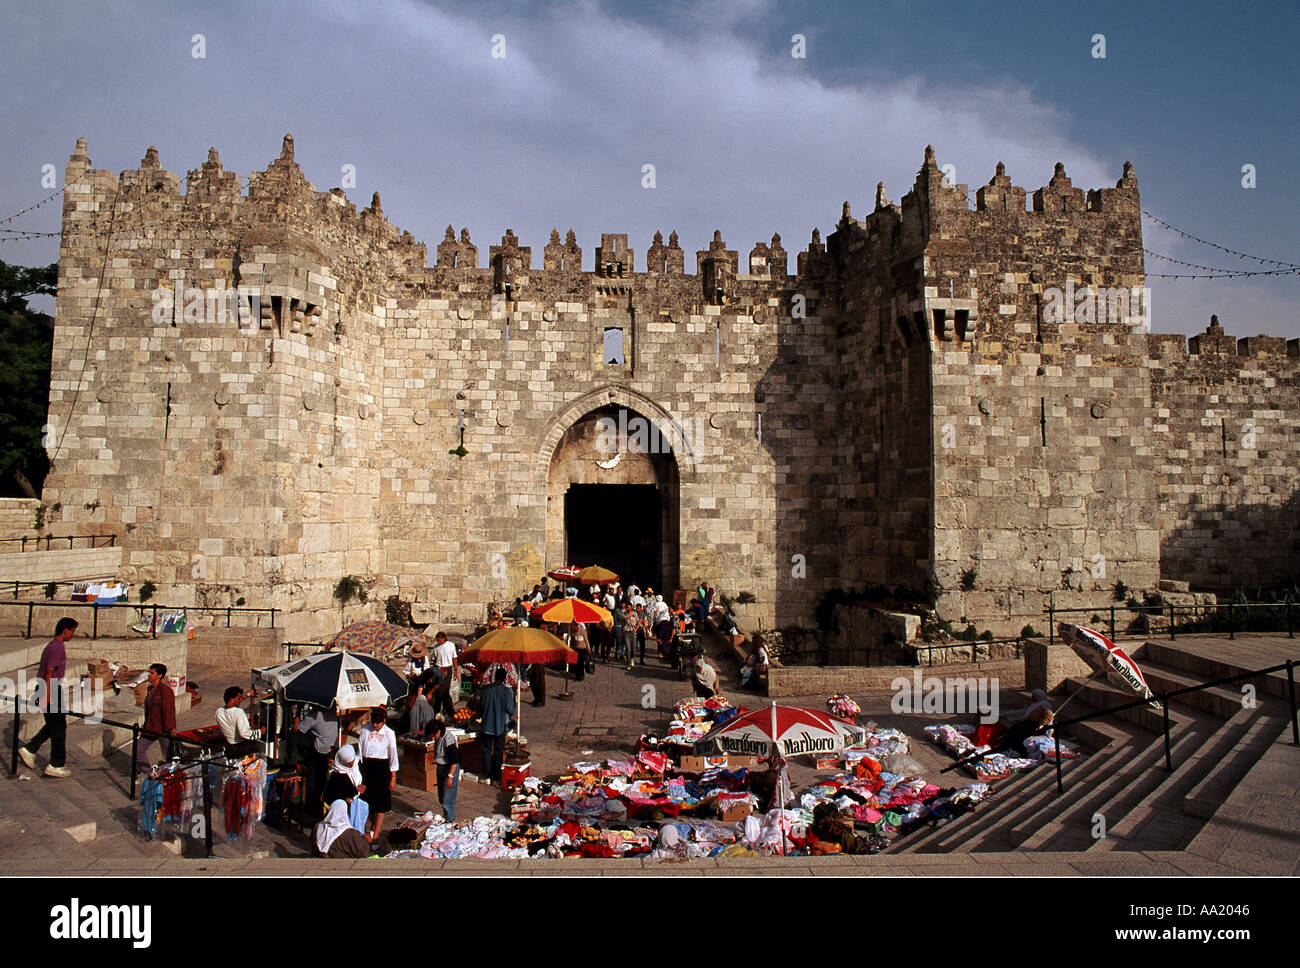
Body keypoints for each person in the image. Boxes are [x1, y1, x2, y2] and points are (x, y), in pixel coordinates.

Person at [18, 617, 78, 778]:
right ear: (65, 630)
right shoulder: (57, 647)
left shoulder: (51, 646)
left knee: (55, 724)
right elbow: (50, 671)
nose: (72, 634)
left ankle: (30, 748)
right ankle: (56, 764)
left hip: (47, 687)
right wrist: (48, 695)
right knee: (58, 728)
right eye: (72, 631)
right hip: (49, 688)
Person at [358, 708, 398, 844]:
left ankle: (376, 835)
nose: (375, 726)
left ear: (384, 721)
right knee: (366, 801)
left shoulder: (389, 734)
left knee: (381, 804)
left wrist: (393, 777)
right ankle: (367, 829)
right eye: (374, 723)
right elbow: (360, 751)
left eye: (378, 723)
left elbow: (393, 755)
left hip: (382, 769)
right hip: (367, 768)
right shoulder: (365, 730)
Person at [293, 704, 336, 818]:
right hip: (328, 749)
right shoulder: (332, 709)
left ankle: (291, 763)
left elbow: (297, 728)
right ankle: (315, 808)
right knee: (320, 781)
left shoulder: (315, 715)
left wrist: (298, 711)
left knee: (293, 736)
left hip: (318, 751)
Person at [134, 663, 176, 772]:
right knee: (137, 749)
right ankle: (150, 773)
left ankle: (172, 777)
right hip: (150, 727)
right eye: (149, 672)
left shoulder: (165, 691)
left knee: (169, 756)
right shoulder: (149, 690)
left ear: (159, 675)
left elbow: (169, 710)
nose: (149, 675)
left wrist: (171, 728)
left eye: (152, 673)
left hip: (164, 729)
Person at [479, 667, 512, 786]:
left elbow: (480, 708)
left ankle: (487, 775)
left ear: (494, 676)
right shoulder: (506, 691)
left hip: (486, 725)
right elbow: (510, 709)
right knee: (498, 752)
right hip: (499, 726)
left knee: (486, 751)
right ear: (504, 678)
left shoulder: (486, 690)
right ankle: (496, 778)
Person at [215, 686, 263, 758]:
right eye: (238, 698)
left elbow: (234, 701)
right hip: (242, 747)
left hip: (230, 746)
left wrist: (248, 694)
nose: (240, 700)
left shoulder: (219, 712)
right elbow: (244, 734)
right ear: (232, 699)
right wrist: (261, 732)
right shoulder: (238, 712)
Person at [427, 719, 461, 822]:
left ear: (438, 731)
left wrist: (450, 777)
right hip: (441, 767)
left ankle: (450, 821)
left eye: (434, 736)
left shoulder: (448, 739)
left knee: (448, 799)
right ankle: (446, 817)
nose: (433, 738)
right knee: (442, 797)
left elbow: (454, 761)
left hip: (449, 769)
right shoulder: (439, 736)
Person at [431, 631, 459, 720]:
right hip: (438, 669)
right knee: (438, 691)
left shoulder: (451, 645)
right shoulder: (436, 648)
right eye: (437, 641)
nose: (438, 642)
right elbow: (434, 660)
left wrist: (456, 670)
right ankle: (439, 711)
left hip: (447, 669)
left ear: (444, 639)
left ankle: (448, 711)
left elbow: (454, 658)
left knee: (444, 691)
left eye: (440, 640)